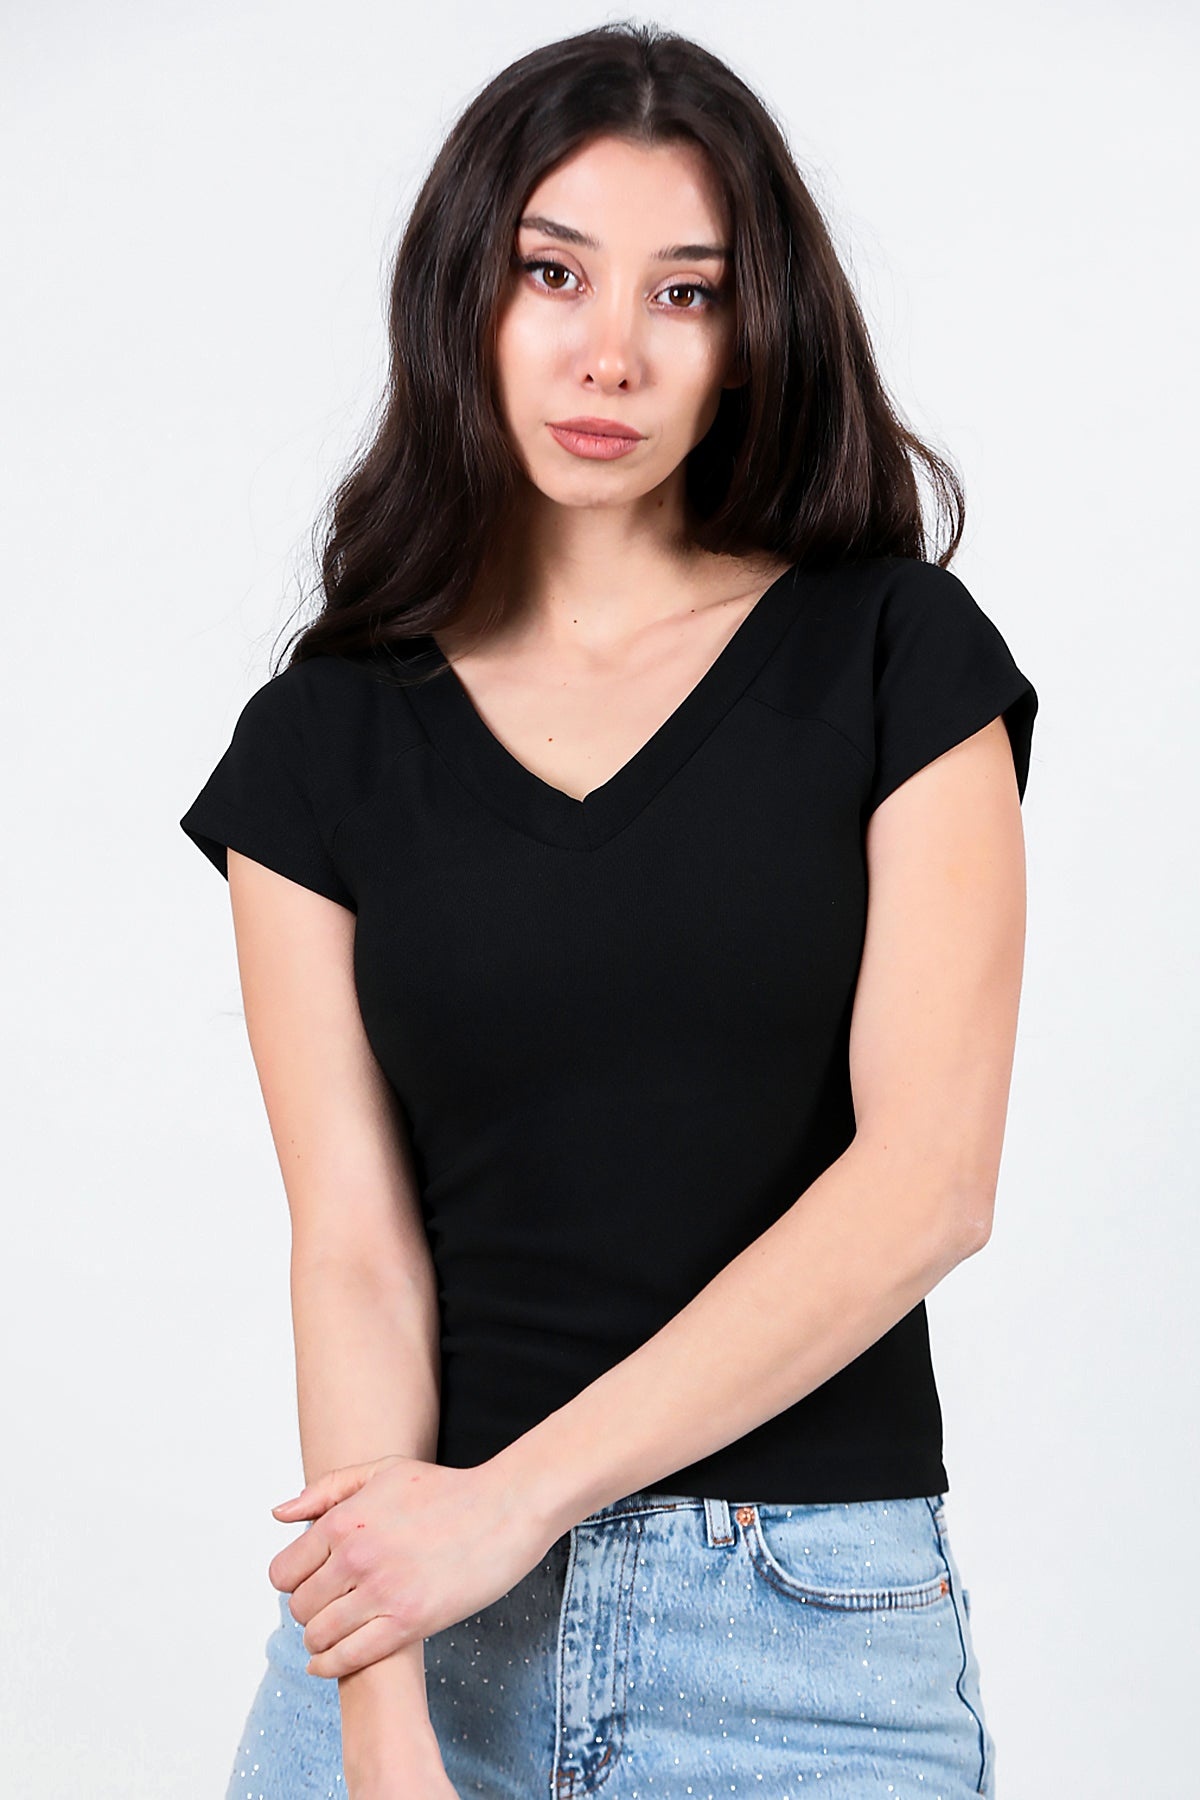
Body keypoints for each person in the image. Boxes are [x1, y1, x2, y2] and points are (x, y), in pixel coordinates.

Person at [180, 22, 1037, 1800]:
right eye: (553, 272)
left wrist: (509, 1507)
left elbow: (929, 1186)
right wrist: (381, 1718)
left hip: (799, 1648)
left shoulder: (893, 657)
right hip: (412, 1627)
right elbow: (354, 1248)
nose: (612, 353)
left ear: (753, 334)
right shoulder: (322, 741)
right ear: (466, 295)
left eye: (687, 293)